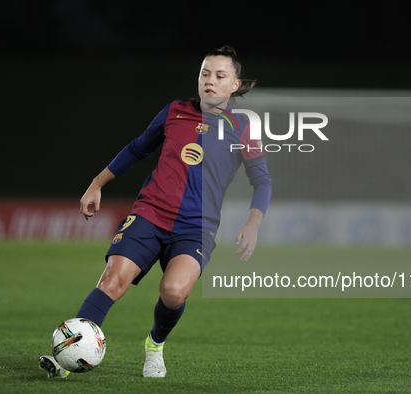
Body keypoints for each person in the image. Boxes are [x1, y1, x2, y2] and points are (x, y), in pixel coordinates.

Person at [39, 46, 271, 378]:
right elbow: (138, 148)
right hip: (150, 213)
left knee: (174, 292)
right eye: (205, 73)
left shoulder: (243, 126)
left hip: (196, 227)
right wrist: (97, 183)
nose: (210, 81)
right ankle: (66, 361)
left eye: (220, 76)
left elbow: (261, 180)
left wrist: (253, 221)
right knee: (111, 281)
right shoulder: (175, 111)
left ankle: (154, 346)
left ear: (235, 84)